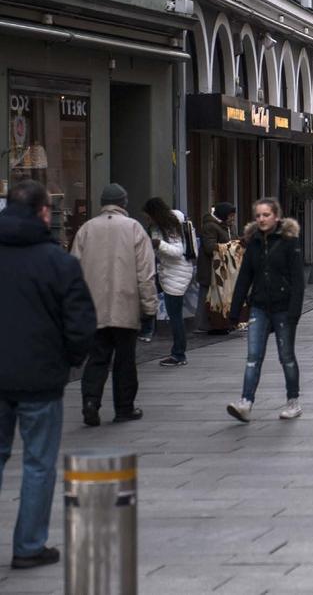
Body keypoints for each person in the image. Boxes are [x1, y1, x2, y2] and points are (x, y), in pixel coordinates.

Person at [0, 180, 96, 570]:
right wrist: (69, 362)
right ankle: (28, 546)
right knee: (38, 463)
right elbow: (80, 324)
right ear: (44, 213)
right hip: (41, 379)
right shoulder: (59, 263)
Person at [72, 183, 157, 426]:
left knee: (97, 358)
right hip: (125, 304)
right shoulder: (134, 228)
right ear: (123, 202)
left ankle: (90, 401)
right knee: (125, 360)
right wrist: (149, 307)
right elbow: (145, 273)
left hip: (93, 307)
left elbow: (73, 271)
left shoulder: (86, 229)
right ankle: (124, 408)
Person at [226, 199, 305, 422]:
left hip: (283, 307)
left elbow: (298, 280)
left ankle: (293, 401)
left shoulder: (290, 242)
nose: (261, 219)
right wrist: (235, 310)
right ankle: (245, 402)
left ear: (276, 217)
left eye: (266, 214)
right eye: (258, 215)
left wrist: (294, 312)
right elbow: (244, 278)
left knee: (286, 356)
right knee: (253, 357)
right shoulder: (254, 243)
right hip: (259, 307)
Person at [143, 197, 194, 367]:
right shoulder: (173, 223)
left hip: (175, 274)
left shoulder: (169, 227)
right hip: (171, 272)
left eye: (148, 216)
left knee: (175, 316)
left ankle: (178, 354)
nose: (147, 220)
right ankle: (147, 330)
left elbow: (177, 251)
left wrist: (158, 244)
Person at [196, 202, 236, 333]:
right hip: (210, 269)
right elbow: (209, 247)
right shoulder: (211, 227)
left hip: (221, 269)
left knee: (220, 296)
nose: (232, 219)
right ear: (224, 215)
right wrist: (230, 247)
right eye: (230, 216)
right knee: (206, 296)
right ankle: (203, 324)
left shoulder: (226, 227)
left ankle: (220, 323)